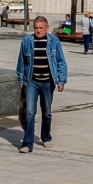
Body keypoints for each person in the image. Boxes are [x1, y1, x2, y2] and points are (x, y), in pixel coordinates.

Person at [14, 15, 68, 153]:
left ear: (47, 28)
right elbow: (21, 62)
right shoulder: (27, 41)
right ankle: (27, 143)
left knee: (47, 112)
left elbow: (61, 62)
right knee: (30, 112)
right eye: (36, 28)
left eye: (41, 28)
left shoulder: (53, 41)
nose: (38, 31)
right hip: (31, 82)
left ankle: (46, 137)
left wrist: (61, 80)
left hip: (48, 82)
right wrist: (21, 80)